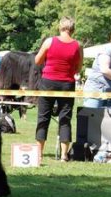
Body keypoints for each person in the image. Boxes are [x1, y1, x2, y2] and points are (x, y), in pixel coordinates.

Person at [35, 16, 83, 161]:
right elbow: (78, 68)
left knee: (43, 117)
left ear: (60, 27)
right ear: (73, 29)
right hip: (67, 84)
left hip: (48, 82)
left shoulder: (49, 41)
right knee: (65, 118)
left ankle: (39, 153)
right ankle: (63, 155)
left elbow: (37, 61)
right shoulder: (78, 45)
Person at [82, 33, 111, 108]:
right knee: (92, 119)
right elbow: (105, 70)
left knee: (108, 119)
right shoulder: (106, 51)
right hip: (96, 92)